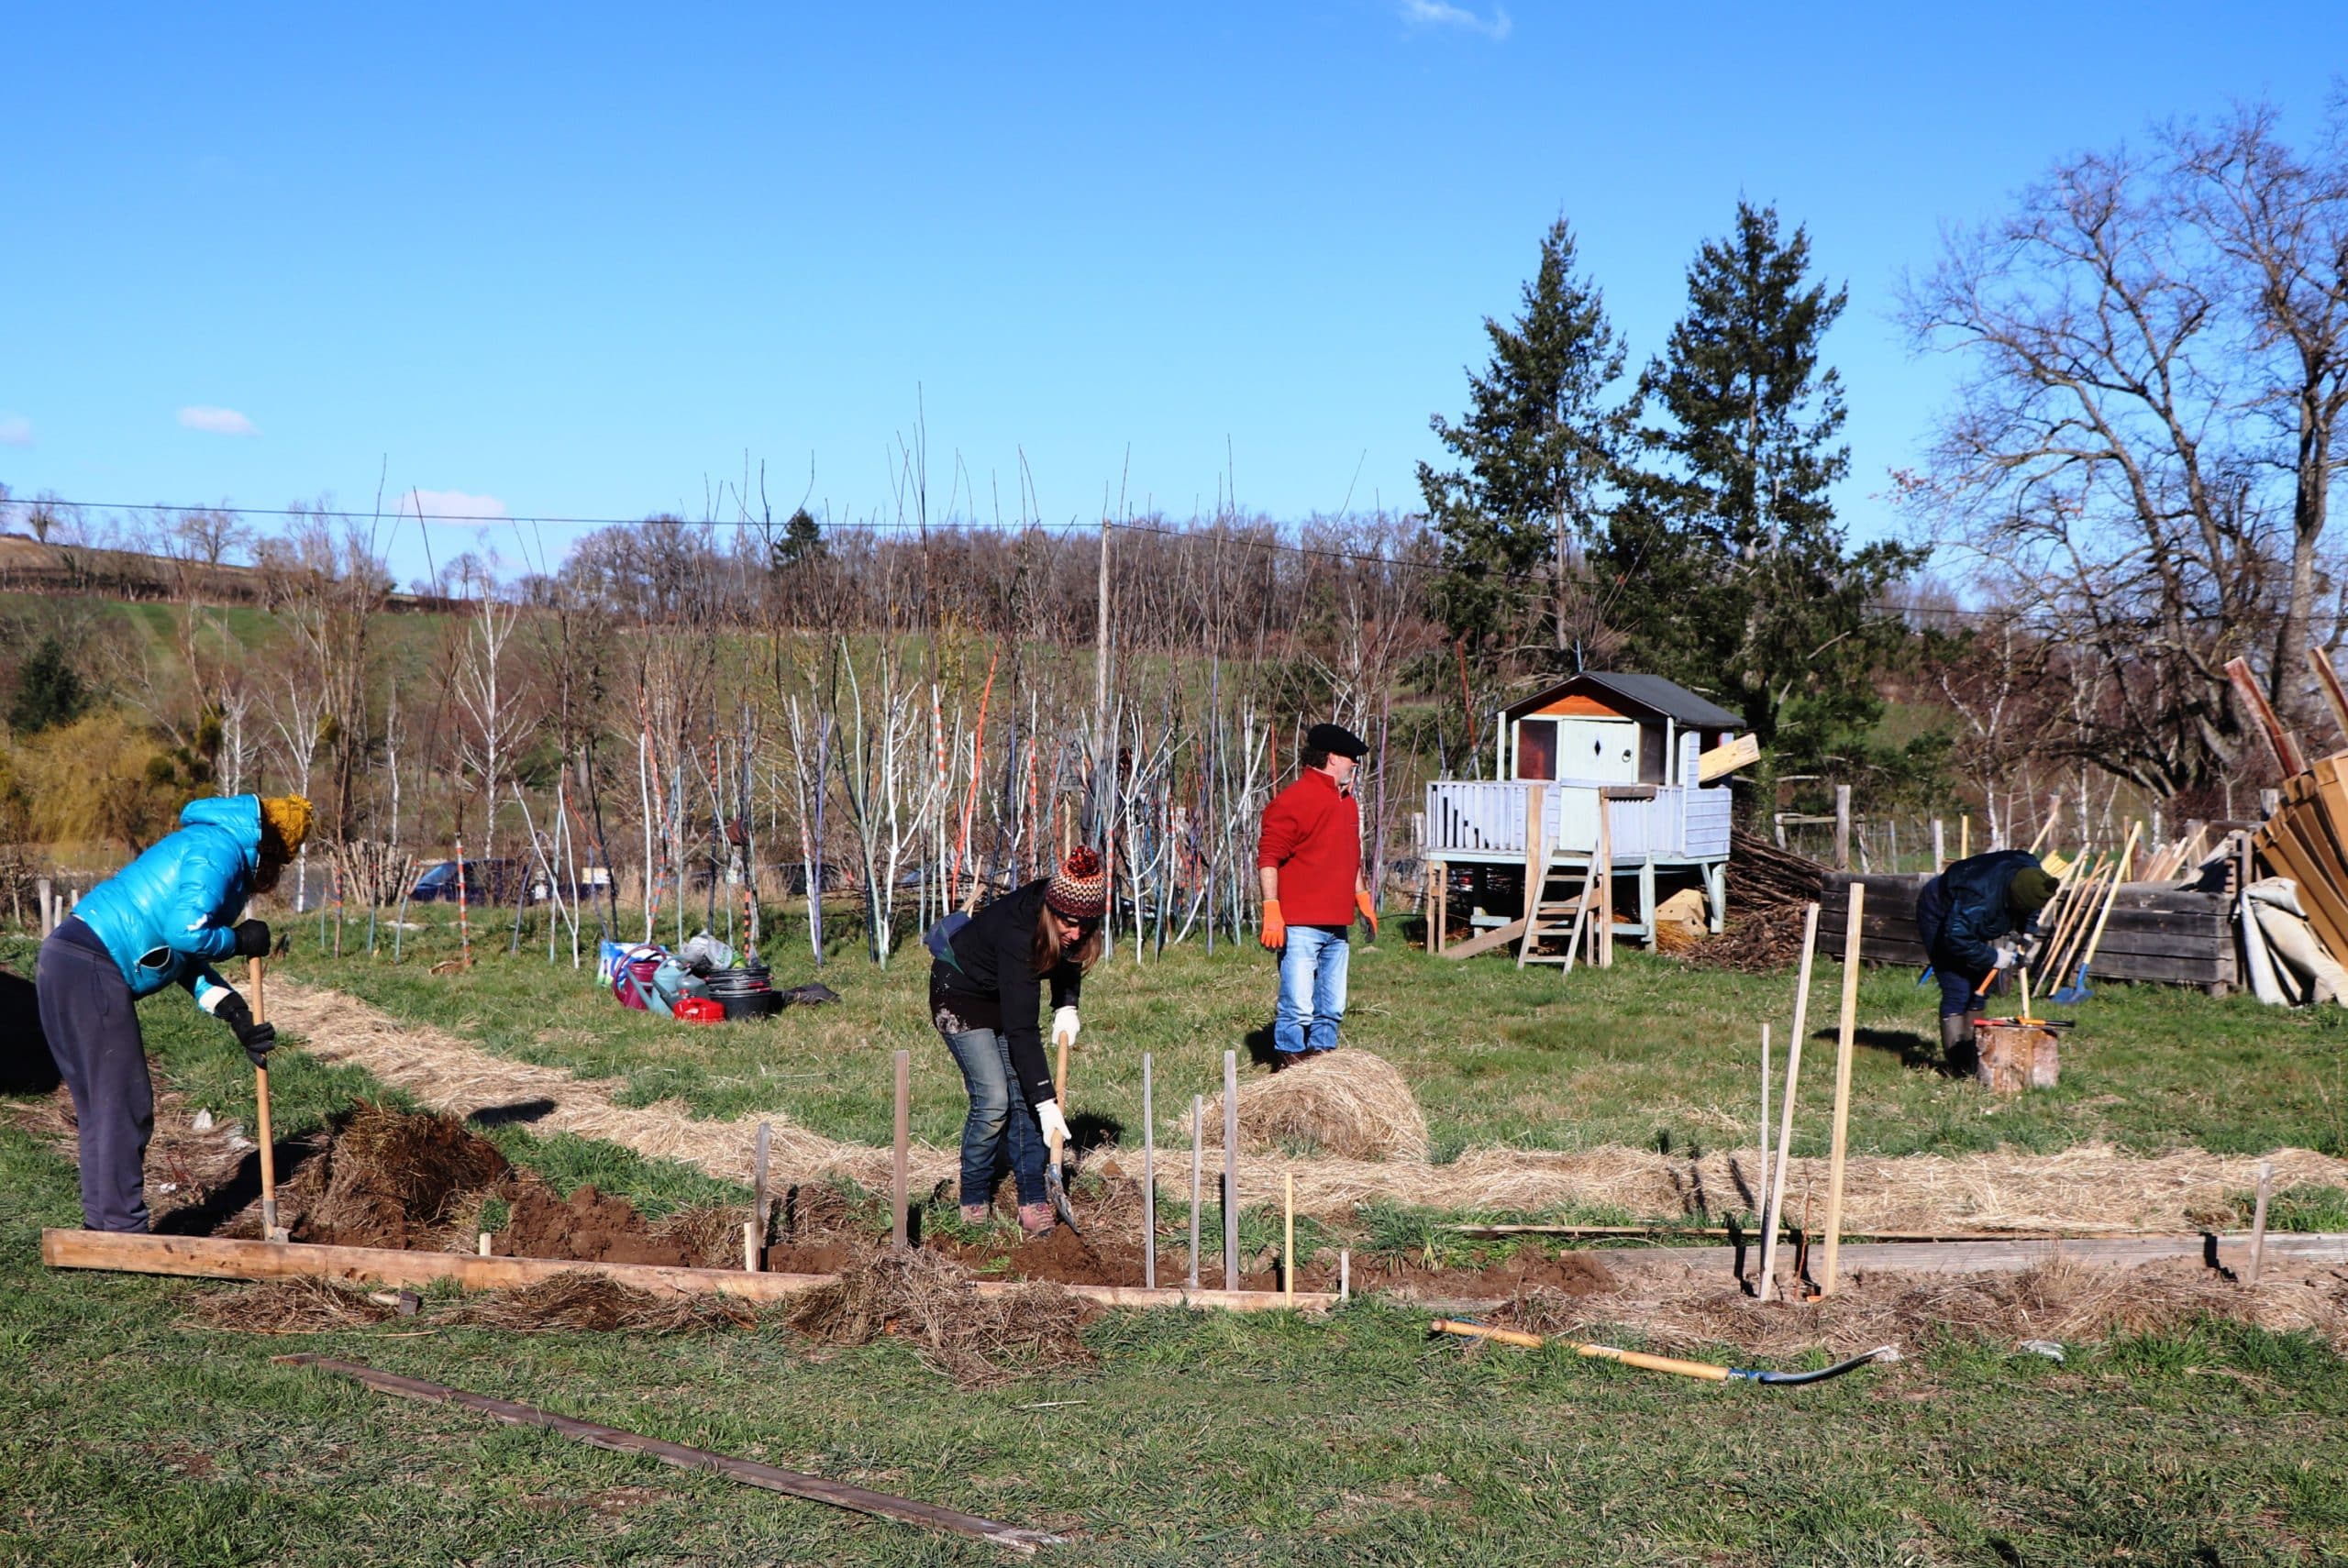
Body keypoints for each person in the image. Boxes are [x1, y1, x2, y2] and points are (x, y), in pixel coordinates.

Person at [36, 794, 311, 1233]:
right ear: (271, 846)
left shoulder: (211, 843)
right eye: (281, 861)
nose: (276, 874)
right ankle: (121, 1231)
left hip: (69, 960)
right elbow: (184, 933)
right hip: (91, 964)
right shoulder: (220, 849)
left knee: (104, 1106)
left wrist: (235, 1011)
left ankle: (104, 1229)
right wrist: (239, 941)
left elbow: (180, 958)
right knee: (124, 1103)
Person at [927, 846, 1107, 1237]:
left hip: (1003, 991)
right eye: (1071, 923)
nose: (1077, 934)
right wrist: (1047, 1101)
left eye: (1087, 927)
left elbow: (1067, 955)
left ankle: (1032, 1197)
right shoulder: (1020, 931)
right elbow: (1023, 1030)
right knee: (994, 1099)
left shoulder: (1064, 913)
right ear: (1052, 911)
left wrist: (1066, 1005)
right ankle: (974, 1196)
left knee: (1026, 1096)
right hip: (960, 993)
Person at [1257, 721, 1378, 1066]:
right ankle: (1291, 1070)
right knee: (1297, 1005)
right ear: (1332, 757)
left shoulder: (1348, 803)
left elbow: (1350, 857)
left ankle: (1324, 1066)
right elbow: (1268, 858)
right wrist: (1272, 909)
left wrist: (1363, 901)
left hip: (1337, 927)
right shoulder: (1292, 801)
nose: (1355, 764)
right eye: (1351, 757)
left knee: (1332, 1007)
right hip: (1299, 927)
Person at [1914, 847, 2059, 1067]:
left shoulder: (2033, 874)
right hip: (1940, 912)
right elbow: (1956, 937)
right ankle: (1959, 1063)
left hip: (1968, 915)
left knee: (1981, 985)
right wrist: (1992, 956)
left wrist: (2027, 930)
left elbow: (2033, 904)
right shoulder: (1979, 897)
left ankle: (1976, 1055)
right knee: (1957, 986)